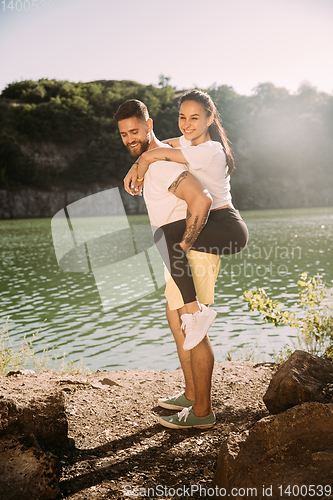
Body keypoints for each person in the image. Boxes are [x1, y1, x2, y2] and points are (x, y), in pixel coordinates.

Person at [114, 99, 219, 429]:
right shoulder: (154, 160)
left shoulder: (163, 166)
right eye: (123, 134)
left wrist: (186, 245)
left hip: (191, 252)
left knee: (193, 327)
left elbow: (200, 200)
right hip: (175, 254)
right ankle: (190, 394)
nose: (130, 138)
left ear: (149, 125)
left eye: (135, 131)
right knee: (176, 321)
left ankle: (202, 412)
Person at [127, 90, 248, 351]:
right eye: (182, 117)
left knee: (167, 238)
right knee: (164, 236)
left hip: (227, 226)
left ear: (209, 118)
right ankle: (194, 311)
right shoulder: (188, 143)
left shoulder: (210, 150)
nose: (187, 124)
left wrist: (142, 161)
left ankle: (195, 312)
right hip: (214, 221)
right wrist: (139, 163)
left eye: (194, 118)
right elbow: (163, 147)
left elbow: (156, 154)